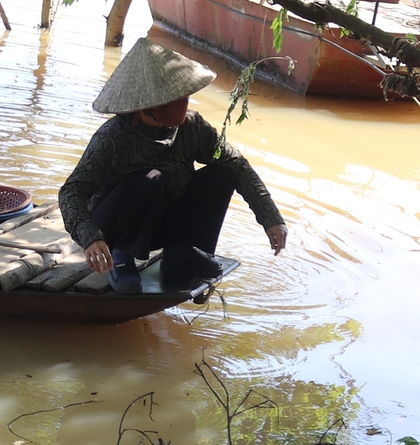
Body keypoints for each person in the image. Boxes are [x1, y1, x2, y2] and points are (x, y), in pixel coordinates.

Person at [60, 37, 288, 294]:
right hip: (115, 227)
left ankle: (183, 252)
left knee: (223, 173)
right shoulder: (112, 137)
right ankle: (121, 256)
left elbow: (236, 163)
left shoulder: (192, 127)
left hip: (160, 221)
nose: (182, 104)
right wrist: (91, 237)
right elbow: (71, 191)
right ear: (147, 106)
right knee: (151, 178)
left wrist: (271, 219)